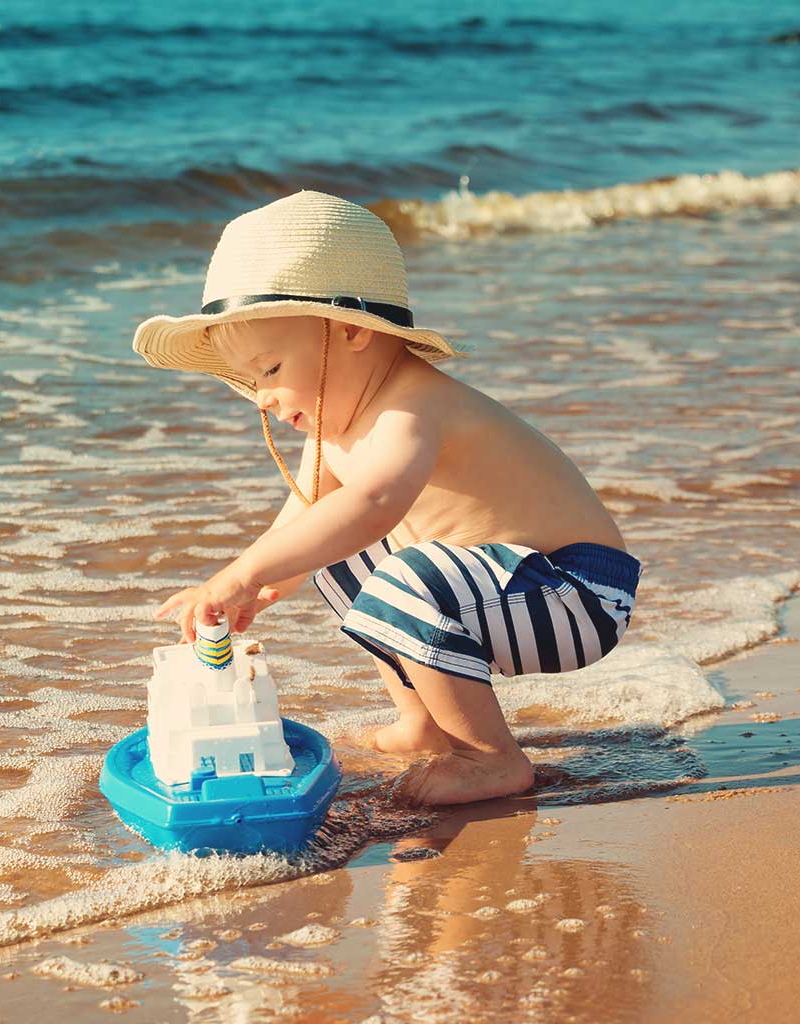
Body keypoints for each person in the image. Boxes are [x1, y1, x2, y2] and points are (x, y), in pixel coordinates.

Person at [133, 190, 641, 806]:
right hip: (499, 594)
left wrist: (247, 573)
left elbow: (375, 502)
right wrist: (259, 582)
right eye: (247, 381)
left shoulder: (412, 405)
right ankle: (424, 721)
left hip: (575, 596)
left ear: (349, 331)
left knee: (400, 569)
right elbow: (308, 515)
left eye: (269, 370)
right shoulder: (337, 425)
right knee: (338, 556)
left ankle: (489, 757)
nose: (260, 398)